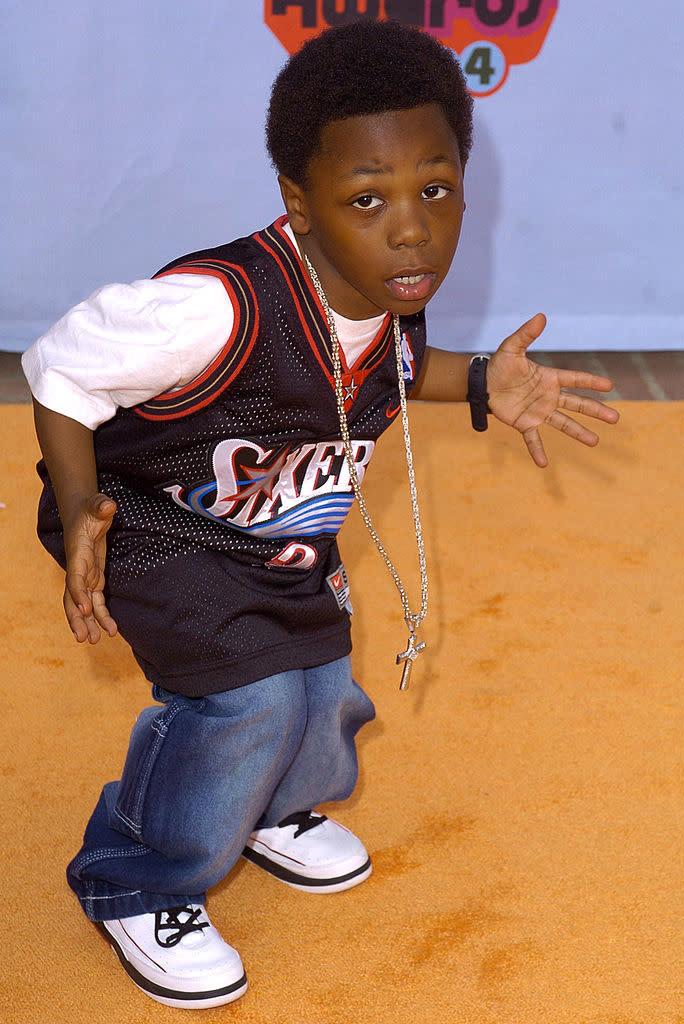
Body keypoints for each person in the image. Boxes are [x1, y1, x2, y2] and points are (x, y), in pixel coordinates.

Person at [22, 19, 619, 1010]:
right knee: (245, 697)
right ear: (298, 205)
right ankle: (137, 872)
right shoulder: (211, 306)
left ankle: (272, 806)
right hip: (150, 517)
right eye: (365, 199)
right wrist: (82, 502)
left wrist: (480, 382)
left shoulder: (386, 294)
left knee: (319, 674)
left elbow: (383, 363)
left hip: (276, 523)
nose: (409, 228)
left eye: (434, 190)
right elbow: (61, 366)